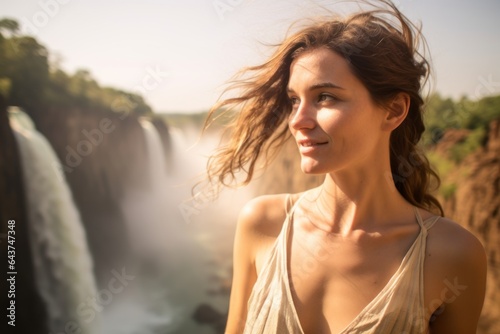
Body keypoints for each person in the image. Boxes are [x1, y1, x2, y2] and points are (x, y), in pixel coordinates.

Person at [203, 1, 487, 333]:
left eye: (325, 97)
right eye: (294, 100)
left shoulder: (454, 254)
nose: (298, 120)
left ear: (394, 110)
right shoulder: (263, 223)